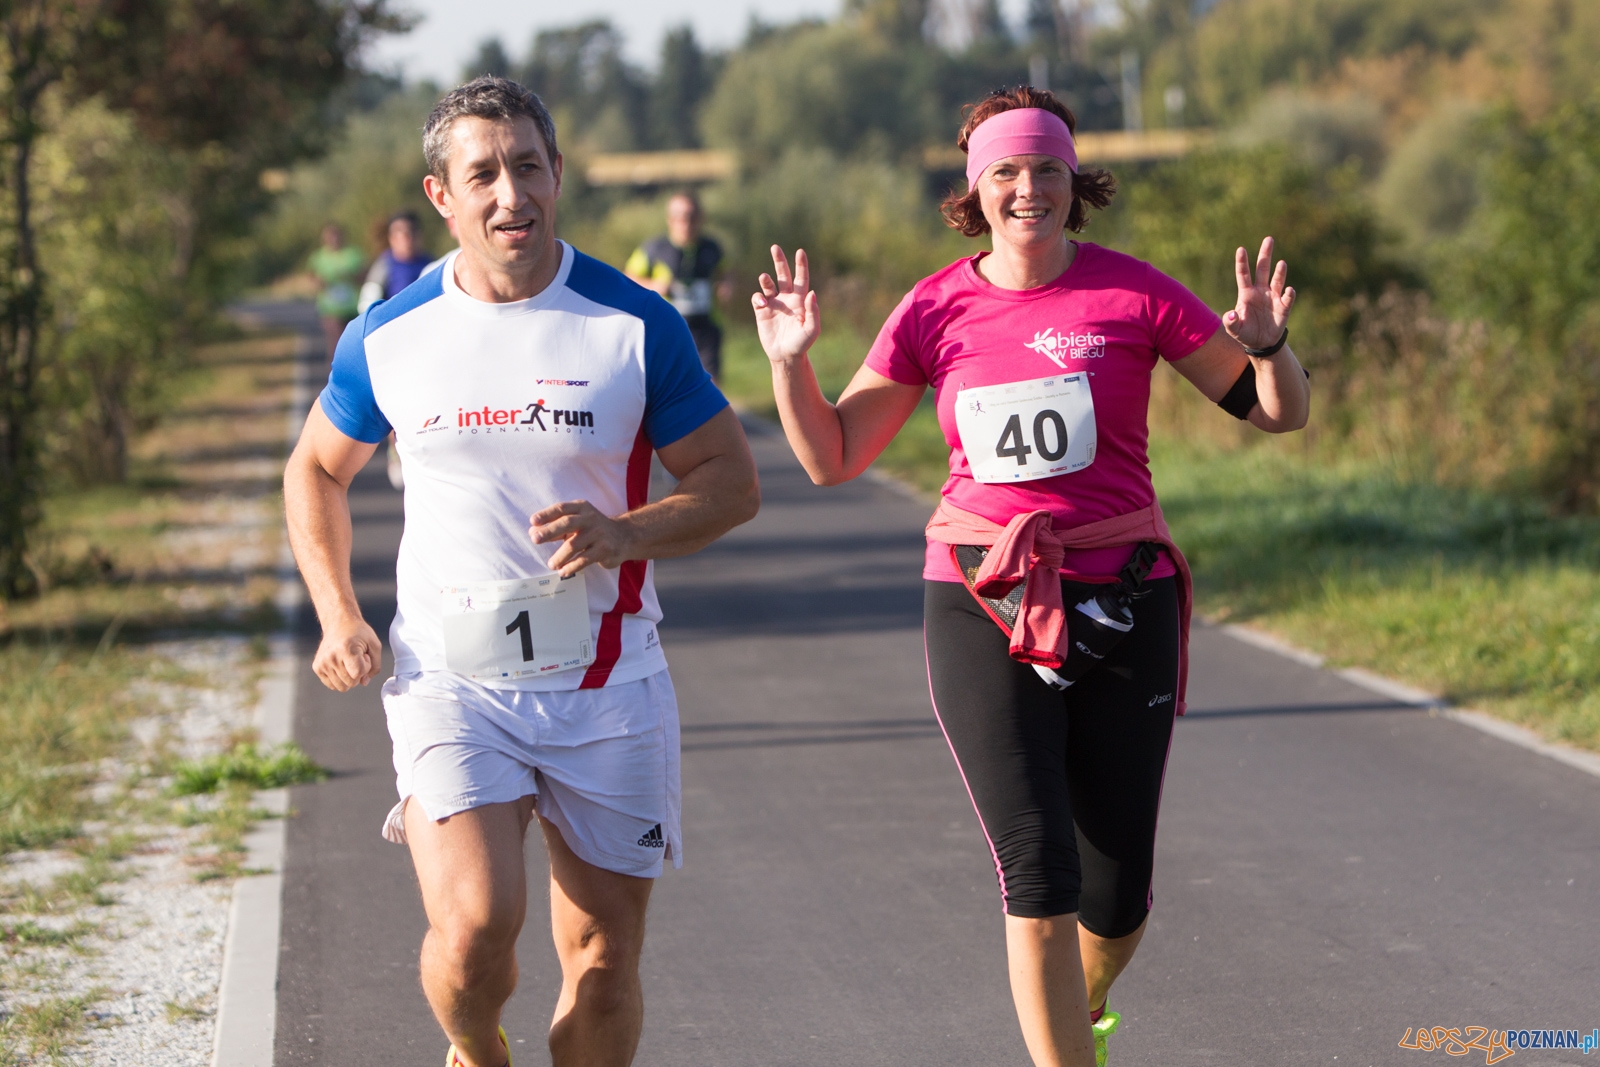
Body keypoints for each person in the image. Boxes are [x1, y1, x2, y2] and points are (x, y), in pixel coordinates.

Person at [751, 86, 1309, 1067]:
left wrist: (1269, 348)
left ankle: (1083, 996)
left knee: (1117, 887)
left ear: (1072, 181)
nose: (1027, 189)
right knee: (1036, 866)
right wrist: (791, 366)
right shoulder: (932, 306)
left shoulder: (1134, 292)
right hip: (979, 591)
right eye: (1005, 172)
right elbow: (833, 456)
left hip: (1124, 589)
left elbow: (1274, 412)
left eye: (1045, 169)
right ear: (976, 190)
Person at [283, 76, 759, 1067]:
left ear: (557, 175)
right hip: (451, 680)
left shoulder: (633, 325)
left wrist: (628, 531)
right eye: (483, 173)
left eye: (529, 166)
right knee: (472, 934)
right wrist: (337, 612)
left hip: (609, 683)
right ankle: (476, 1047)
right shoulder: (392, 336)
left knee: (602, 962)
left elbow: (730, 481)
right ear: (440, 196)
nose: (511, 194)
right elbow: (316, 468)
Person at [625, 191, 728, 380]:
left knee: (712, 389)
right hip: (668, 330)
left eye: (691, 216)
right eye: (679, 217)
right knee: (670, 387)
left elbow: (724, 274)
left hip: (706, 329)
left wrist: (725, 285)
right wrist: (654, 285)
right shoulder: (654, 249)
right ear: (670, 219)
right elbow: (628, 278)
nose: (686, 222)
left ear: (700, 218)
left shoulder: (712, 248)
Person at [307, 223, 364, 364]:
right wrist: (321, 282)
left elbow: (364, 275)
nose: (333, 239)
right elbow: (311, 277)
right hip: (330, 310)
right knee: (337, 344)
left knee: (354, 344)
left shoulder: (353, 254)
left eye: (336, 235)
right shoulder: (319, 257)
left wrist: (350, 276)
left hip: (352, 308)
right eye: (329, 236)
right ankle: (337, 374)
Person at [358, 210, 435, 313]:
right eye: (399, 232)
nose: (406, 237)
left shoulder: (431, 264)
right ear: (391, 238)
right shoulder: (384, 266)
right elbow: (367, 305)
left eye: (411, 231)